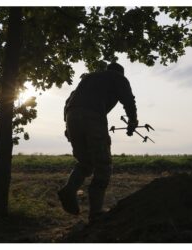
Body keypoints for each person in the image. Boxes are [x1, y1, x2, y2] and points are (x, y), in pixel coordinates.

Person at [58, 62, 138, 222]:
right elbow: (128, 100)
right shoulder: (118, 78)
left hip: (72, 117)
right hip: (93, 117)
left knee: (86, 162)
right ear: (120, 73)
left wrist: (68, 127)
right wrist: (132, 121)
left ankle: (69, 189)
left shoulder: (88, 78)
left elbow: (69, 101)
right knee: (103, 164)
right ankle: (96, 213)